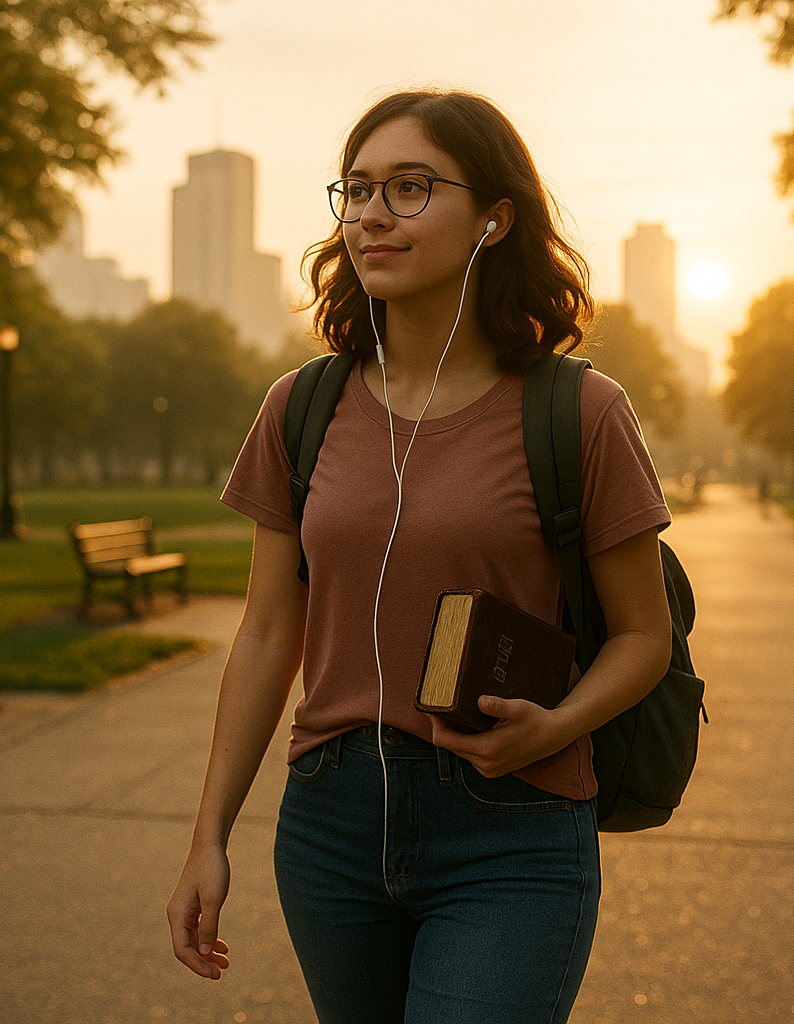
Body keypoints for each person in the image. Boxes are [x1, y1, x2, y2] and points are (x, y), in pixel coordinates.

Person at [167, 89, 673, 1024]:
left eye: (409, 188)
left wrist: (553, 729)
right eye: (356, 190)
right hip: (330, 824)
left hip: (510, 824)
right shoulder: (300, 407)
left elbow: (646, 635)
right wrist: (210, 837)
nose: (370, 215)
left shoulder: (580, 413)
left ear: (494, 216)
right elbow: (270, 631)